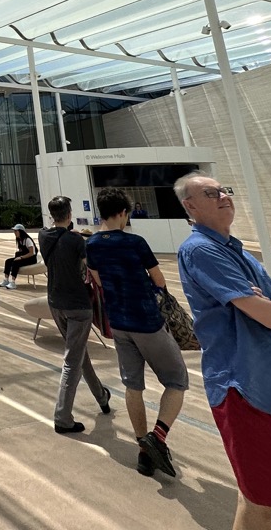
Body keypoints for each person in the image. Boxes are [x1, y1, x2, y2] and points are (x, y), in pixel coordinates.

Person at [176, 173, 271, 529]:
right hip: (247, 389)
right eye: (211, 193)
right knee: (267, 504)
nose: (224, 195)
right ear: (190, 207)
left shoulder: (238, 251)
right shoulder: (200, 250)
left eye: (225, 189)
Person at [86, 187, 188, 478]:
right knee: (177, 380)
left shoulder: (92, 244)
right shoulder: (135, 242)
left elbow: (98, 280)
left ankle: (144, 451)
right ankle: (157, 437)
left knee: (134, 386)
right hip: (147, 321)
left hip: (118, 322)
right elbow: (159, 279)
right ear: (121, 213)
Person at [39, 196, 112, 434]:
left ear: (52, 215)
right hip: (78, 305)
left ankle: (101, 396)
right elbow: (89, 268)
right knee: (72, 361)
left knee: (79, 353)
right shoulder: (76, 240)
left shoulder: (43, 236)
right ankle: (62, 416)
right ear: (69, 214)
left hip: (55, 303)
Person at [0, 223, 40, 289]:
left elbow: (31, 253)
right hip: (25, 257)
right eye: (14, 231)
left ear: (20, 232)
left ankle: (13, 282)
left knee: (16, 262)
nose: (15, 233)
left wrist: (21, 257)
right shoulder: (19, 240)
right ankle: (6, 280)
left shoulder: (27, 240)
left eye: (16, 231)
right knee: (8, 261)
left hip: (31, 259)